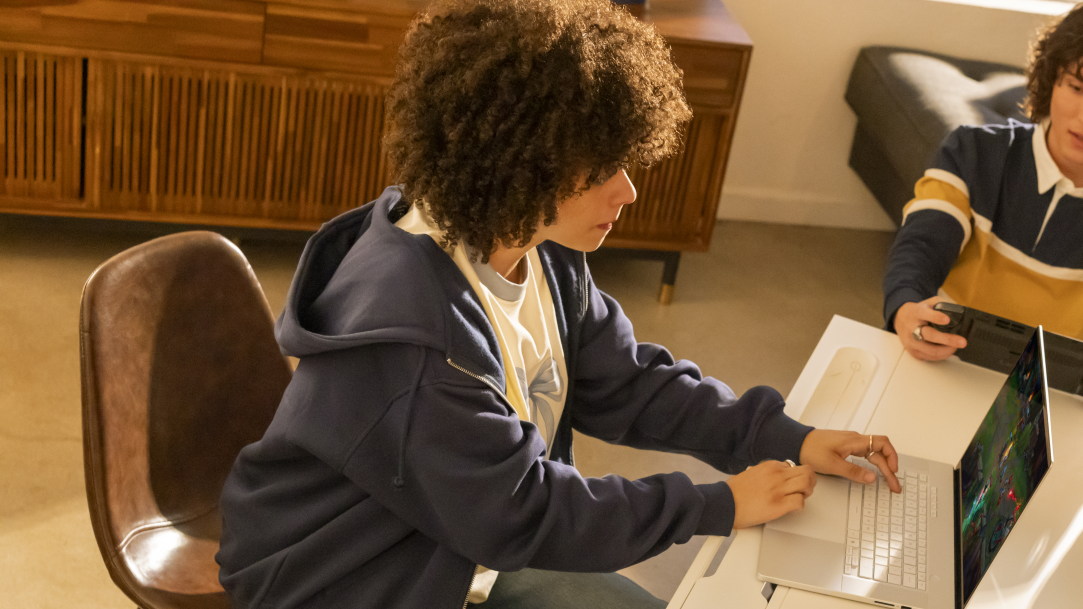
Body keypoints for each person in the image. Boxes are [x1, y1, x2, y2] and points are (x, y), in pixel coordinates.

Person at [215, 1, 900, 607]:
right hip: (348, 575)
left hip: (460, 545)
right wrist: (714, 504)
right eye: (600, 170)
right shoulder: (417, 346)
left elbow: (627, 384)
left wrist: (784, 436)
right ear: (518, 162)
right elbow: (523, 512)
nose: (628, 190)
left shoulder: (536, 244)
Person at [883, 5, 1083, 362]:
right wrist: (906, 306)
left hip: (1054, 388)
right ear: (1052, 77)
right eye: (1077, 88)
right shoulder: (972, 151)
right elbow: (923, 244)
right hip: (945, 358)